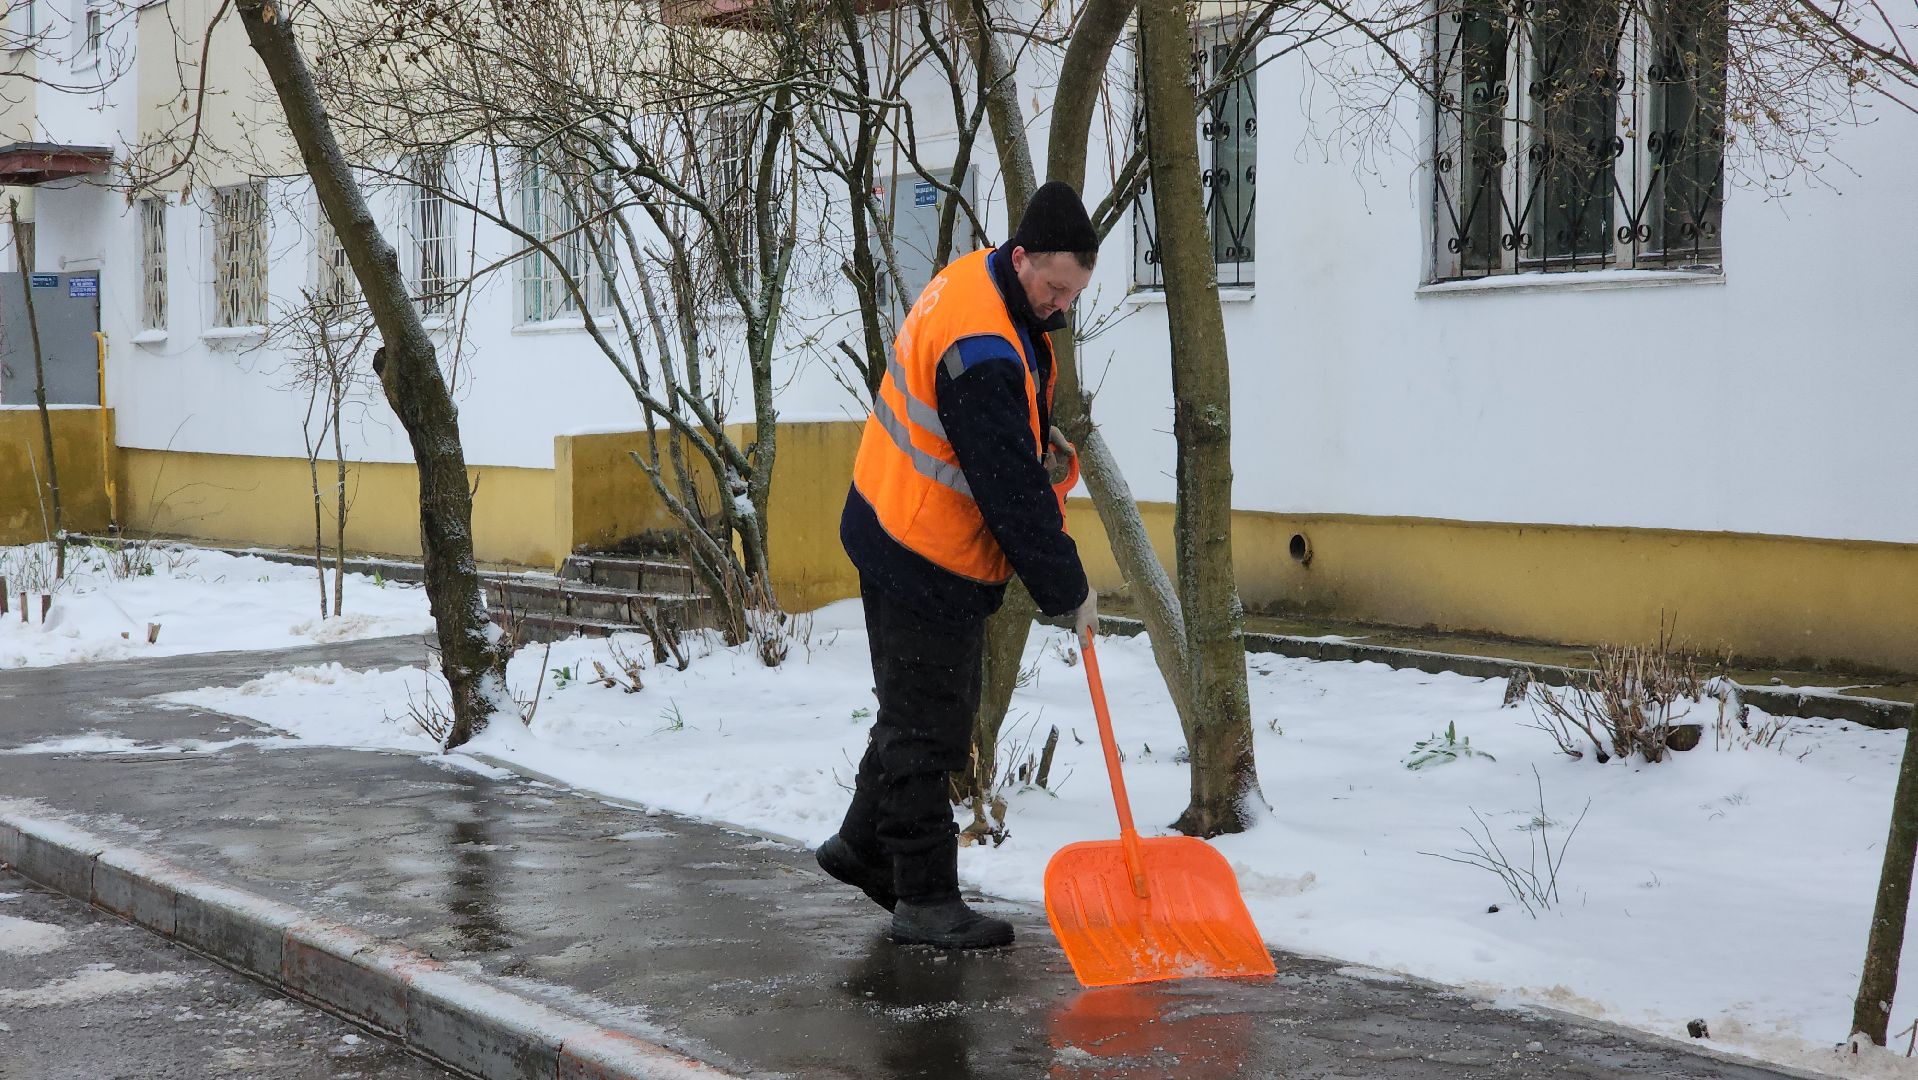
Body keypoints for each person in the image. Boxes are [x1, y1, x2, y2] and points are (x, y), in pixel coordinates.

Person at [818, 181, 1102, 949]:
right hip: (921, 550)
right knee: (930, 728)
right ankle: (925, 898)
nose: (1060, 307)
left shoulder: (984, 282)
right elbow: (1007, 492)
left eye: (1072, 293)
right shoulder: (983, 345)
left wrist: (1033, 438)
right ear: (1023, 260)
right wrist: (1068, 588)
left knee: (914, 708)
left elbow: (986, 433)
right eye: (1054, 288)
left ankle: (859, 844)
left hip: (890, 516)